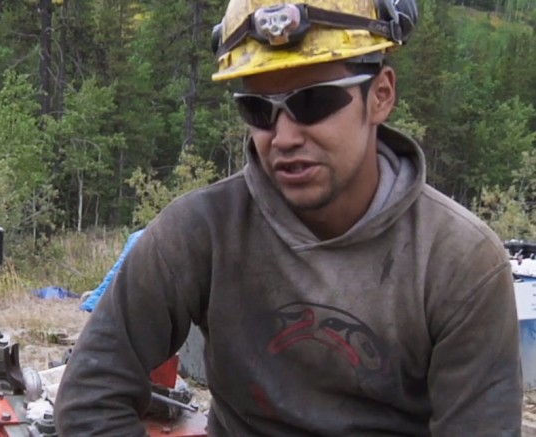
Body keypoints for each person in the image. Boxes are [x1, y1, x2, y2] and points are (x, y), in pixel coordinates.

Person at [55, 0, 523, 435]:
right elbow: (90, 395)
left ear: (380, 96)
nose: (284, 137)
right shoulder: (200, 232)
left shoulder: (459, 261)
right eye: (258, 109)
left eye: (313, 102)